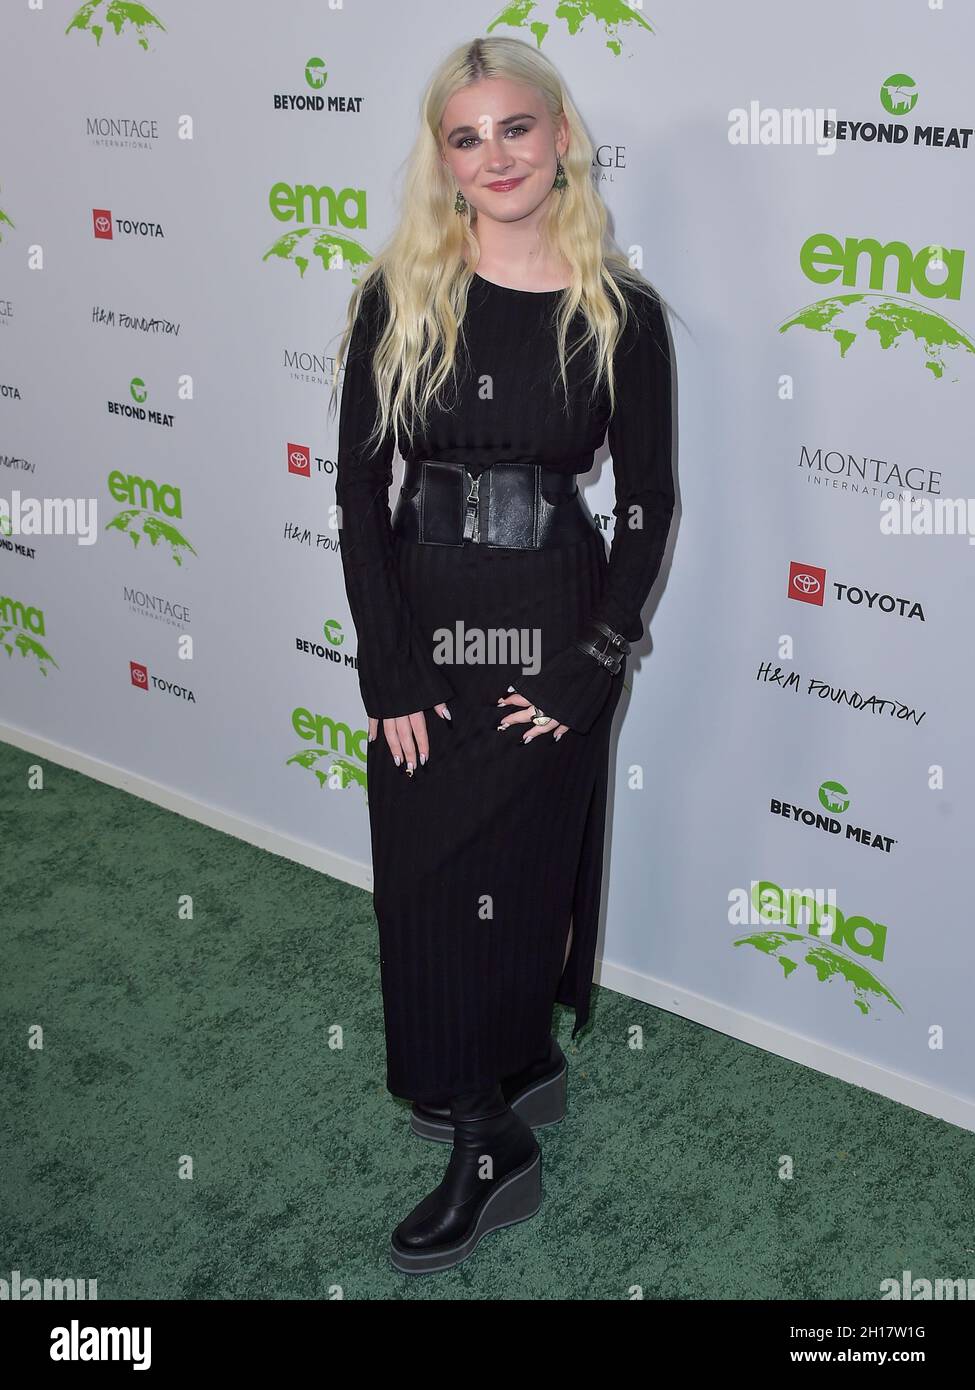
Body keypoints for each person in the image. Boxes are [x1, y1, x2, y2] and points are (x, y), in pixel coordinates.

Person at [328, 35, 675, 1275]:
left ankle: (492, 1138)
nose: (495, 156)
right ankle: (511, 1067)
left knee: (517, 869)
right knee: (423, 875)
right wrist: (389, 668)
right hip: (426, 614)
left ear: (561, 135)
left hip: (553, 609)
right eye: (466, 138)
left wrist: (594, 662)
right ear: (444, 159)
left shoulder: (620, 311)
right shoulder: (399, 291)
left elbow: (647, 508)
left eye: (515, 128)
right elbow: (361, 493)